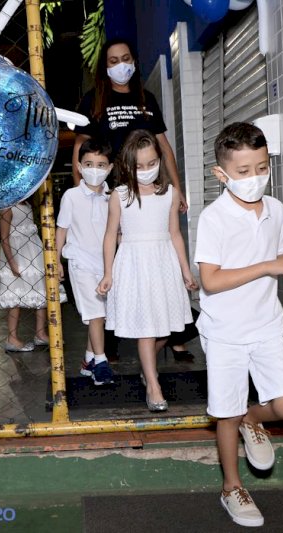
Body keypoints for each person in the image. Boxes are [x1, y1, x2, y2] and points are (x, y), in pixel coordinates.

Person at [195, 122, 283, 527]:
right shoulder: (214, 218)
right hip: (224, 330)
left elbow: (282, 255)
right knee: (224, 411)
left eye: (261, 167)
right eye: (243, 172)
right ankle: (231, 487)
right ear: (221, 174)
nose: (254, 178)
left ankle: (252, 419)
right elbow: (211, 280)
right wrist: (268, 266)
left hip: (266, 324)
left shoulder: (276, 209)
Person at [97, 130, 197, 411]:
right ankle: (153, 386)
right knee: (147, 330)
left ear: (160, 160)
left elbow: (175, 234)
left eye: (151, 163)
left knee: (165, 329)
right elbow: (109, 236)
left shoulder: (170, 194)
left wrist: (185, 271)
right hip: (134, 263)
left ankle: (147, 366)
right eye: (139, 166)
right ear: (128, 165)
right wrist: (108, 273)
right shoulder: (120, 195)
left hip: (163, 262)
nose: (145, 170)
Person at [71, 38, 187, 213]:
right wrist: (81, 193)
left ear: (134, 61)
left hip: (147, 188)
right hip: (108, 191)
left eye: (126, 59)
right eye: (114, 61)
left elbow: (164, 146)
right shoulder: (92, 100)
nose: (121, 65)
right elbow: (80, 148)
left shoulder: (147, 99)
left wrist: (177, 189)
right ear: (106, 67)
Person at [56, 138, 115, 385]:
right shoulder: (71, 196)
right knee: (95, 313)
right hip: (80, 262)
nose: (95, 169)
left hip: (107, 265)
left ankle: (88, 359)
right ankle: (101, 361)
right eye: (89, 163)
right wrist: (56, 261)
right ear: (79, 166)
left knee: (100, 316)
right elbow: (61, 229)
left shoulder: (114, 196)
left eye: (101, 164)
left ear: (110, 168)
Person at [0, 199, 51, 352]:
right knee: (16, 294)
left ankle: (40, 333)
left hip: (33, 250)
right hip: (17, 254)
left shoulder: (27, 204)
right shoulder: (7, 208)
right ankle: (12, 337)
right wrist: (12, 263)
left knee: (41, 291)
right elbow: (4, 238)